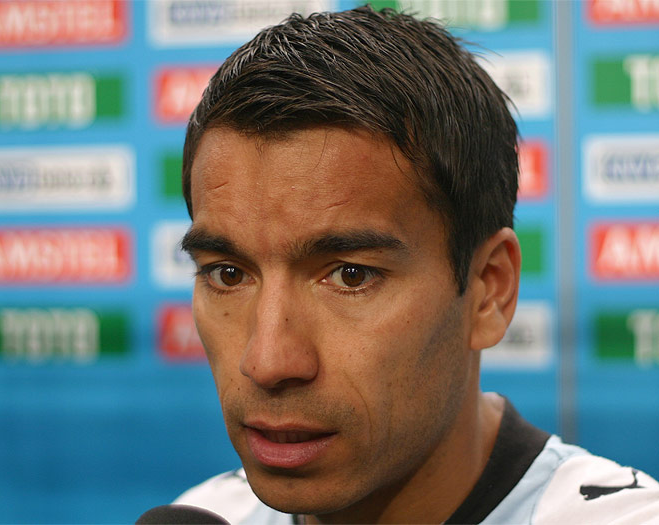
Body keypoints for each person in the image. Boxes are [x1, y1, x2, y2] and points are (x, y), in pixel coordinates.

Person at [173, 6, 659, 524]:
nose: (268, 361)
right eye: (228, 274)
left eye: (350, 275)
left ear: (488, 289)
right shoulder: (208, 512)